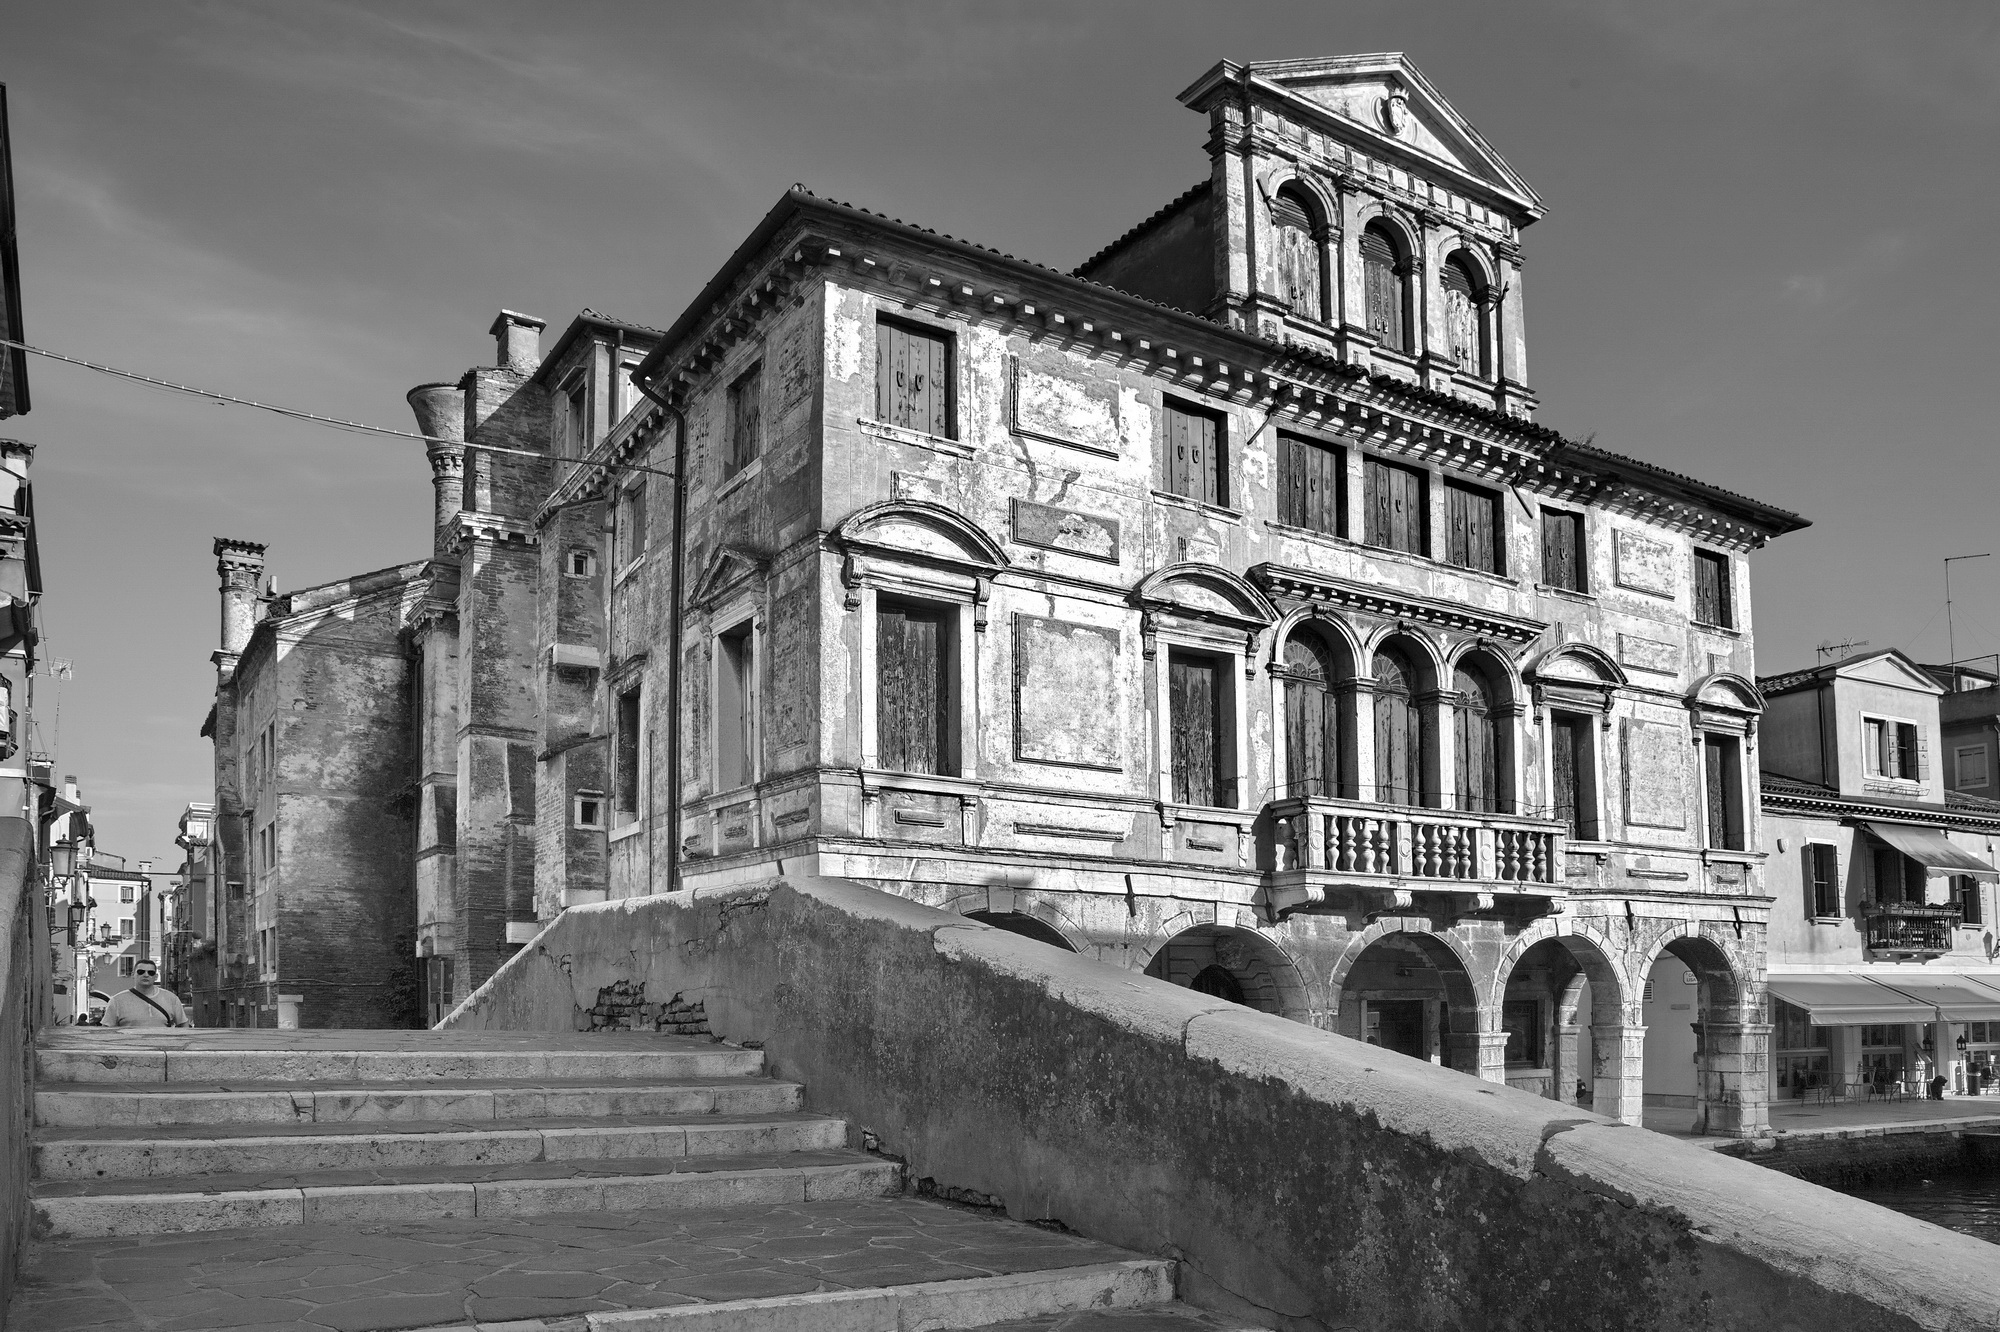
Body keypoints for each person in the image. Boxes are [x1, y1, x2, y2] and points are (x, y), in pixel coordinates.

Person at [102, 960, 191, 1027]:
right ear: (133, 974)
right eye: (141, 972)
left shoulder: (171, 998)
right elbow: (106, 1030)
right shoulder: (117, 1001)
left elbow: (183, 1024)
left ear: (155, 977)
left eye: (150, 973)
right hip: (130, 1050)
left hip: (163, 1049)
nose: (146, 975)